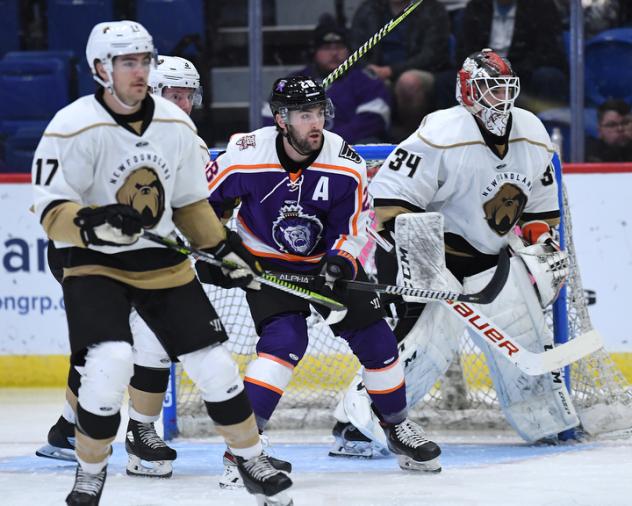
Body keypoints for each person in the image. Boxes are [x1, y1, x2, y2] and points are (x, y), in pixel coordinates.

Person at [31, 20, 292, 506]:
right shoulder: (72, 125)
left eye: (143, 61)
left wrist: (222, 248)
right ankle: (89, 473)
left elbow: (192, 203)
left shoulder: (176, 126)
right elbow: (50, 210)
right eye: (127, 62)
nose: (138, 71)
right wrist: (92, 223)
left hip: (160, 262)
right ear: (100, 69)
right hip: (94, 262)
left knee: (214, 362)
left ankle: (251, 459)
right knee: (109, 362)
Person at [332, 48, 579, 455]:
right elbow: (390, 204)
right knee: (423, 347)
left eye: (504, 88)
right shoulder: (440, 134)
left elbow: (539, 208)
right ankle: (356, 425)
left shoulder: (532, 132)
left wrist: (541, 243)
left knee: (526, 337)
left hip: (491, 258)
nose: (498, 99)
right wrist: (427, 266)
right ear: (466, 92)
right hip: (427, 252)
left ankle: (544, 422)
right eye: (488, 89)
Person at [202, 75, 442, 482]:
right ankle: (241, 451)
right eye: (304, 115)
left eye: (320, 113)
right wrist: (216, 248)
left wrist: (341, 262)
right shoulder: (244, 155)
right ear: (281, 119)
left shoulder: (344, 164)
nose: (317, 124)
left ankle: (396, 425)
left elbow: (355, 227)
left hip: (324, 263)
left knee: (376, 337)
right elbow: (204, 203)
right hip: (268, 265)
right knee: (283, 343)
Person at [35, 54, 209, 480]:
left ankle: (70, 430)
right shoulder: (103, 130)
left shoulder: (182, 138)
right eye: (174, 94)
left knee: (113, 346)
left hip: (141, 259)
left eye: (189, 96)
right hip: (88, 254)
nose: (183, 104)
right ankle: (138, 434)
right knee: (129, 342)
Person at [263, 15, 392, 144]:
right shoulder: (292, 82)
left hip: (351, 149)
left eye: (339, 47)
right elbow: (272, 118)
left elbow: (374, 120)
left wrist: (329, 142)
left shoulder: (366, 81)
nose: (334, 53)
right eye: (326, 48)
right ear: (314, 51)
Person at [350, 0, 451, 141]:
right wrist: (370, 70)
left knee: (408, 82)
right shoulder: (368, 9)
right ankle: (370, 140)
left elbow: (433, 55)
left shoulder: (432, 8)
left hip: (423, 71)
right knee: (368, 83)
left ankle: (412, 138)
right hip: (376, 72)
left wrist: (390, 70)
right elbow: (355, 49)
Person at [457, 0, 567, 109]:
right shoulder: (476, 6)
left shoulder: (541, 6)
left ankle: (548, 122)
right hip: (485, 68)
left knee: (549, 76)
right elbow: (466, 49)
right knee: (449, 79)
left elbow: (548, 49)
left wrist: (511, 70)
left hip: (525, 69)